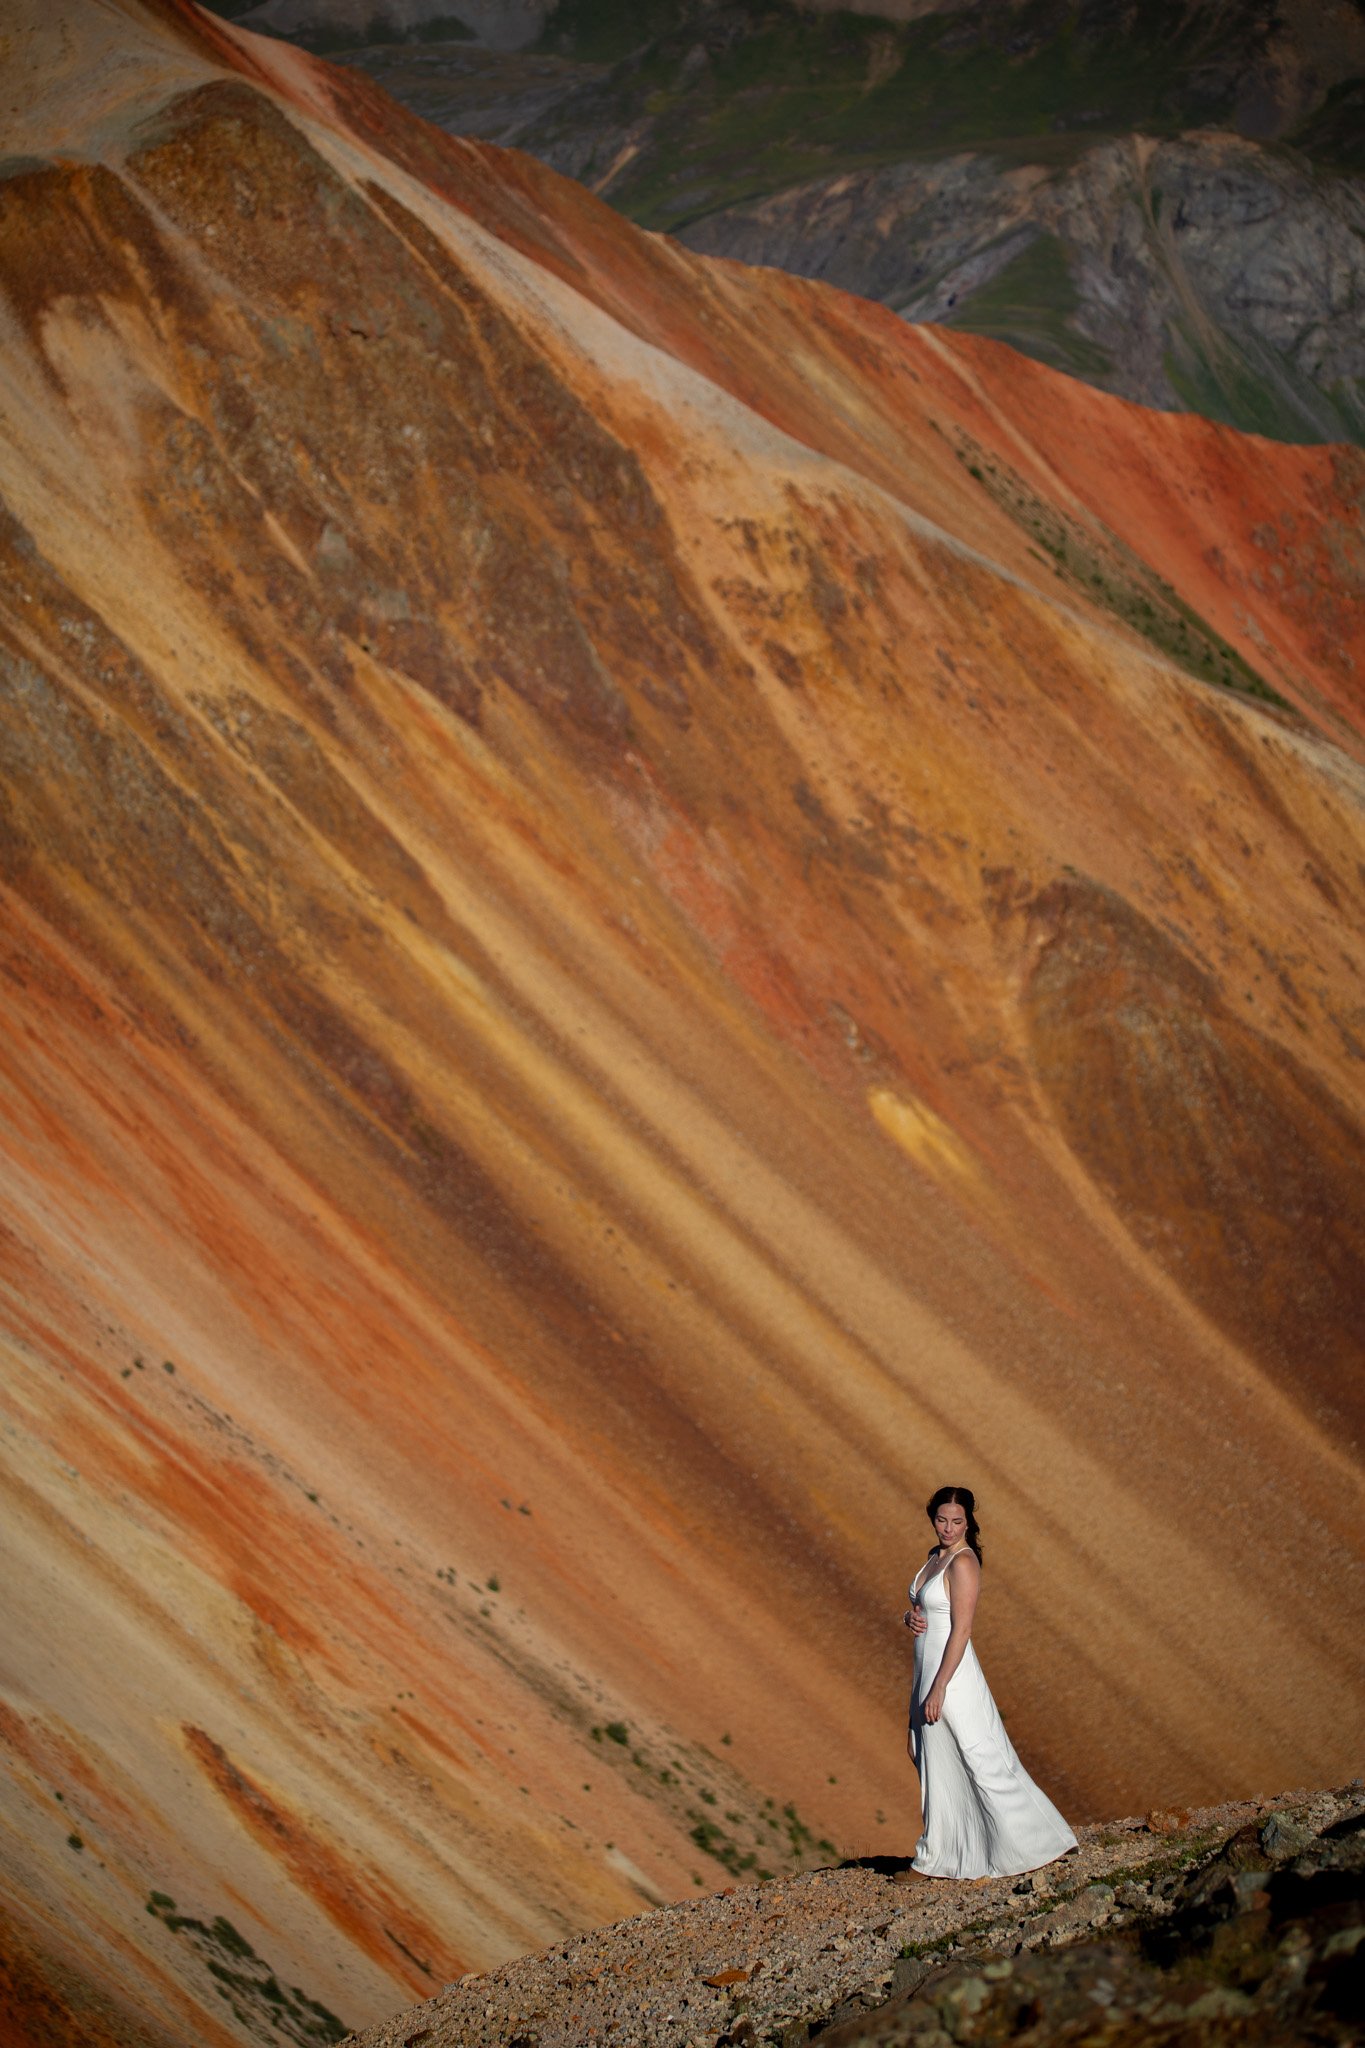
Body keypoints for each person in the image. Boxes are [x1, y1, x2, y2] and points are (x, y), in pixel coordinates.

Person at [900, 1485, 1077, 1879]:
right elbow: (926, 1611)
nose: (948, 1528)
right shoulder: (934, 1558)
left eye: (957, 1521)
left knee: (981, 1758)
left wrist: (941, 1686)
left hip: (951, 1676)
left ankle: (1042, 1841)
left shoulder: (963, 1563)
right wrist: (909, 1619)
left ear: (969, 1523)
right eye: (942, 1520)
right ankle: (942, 1855)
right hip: (925, 1671)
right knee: (931, 1757)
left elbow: (961, 1630)